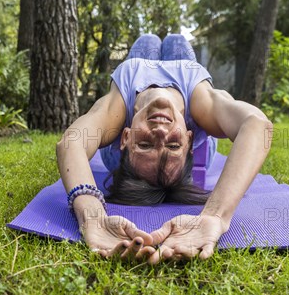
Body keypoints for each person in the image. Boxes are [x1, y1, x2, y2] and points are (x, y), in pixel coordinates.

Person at [56, 34, 273, 264]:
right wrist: (215, 217)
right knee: (176, 40)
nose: (160, 132)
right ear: (188, 139)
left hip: (118, 156)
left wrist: (92, 217)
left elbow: (71, 142)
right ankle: (176, 147)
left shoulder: (117, 109)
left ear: (126, 137)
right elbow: (257, 126)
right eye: (173, 144)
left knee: (148, 40)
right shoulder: (200, 99)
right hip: (197, 146)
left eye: (145, 144)